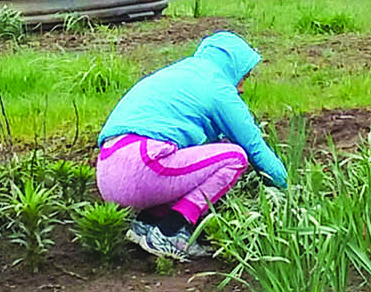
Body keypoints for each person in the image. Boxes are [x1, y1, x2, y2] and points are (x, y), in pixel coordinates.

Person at [96, 31, 289, 258]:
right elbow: (255, 147)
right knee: (234, 157)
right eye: (244, 77)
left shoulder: (181, 73)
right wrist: (287, 187)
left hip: (108, 169)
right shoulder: (218, 87)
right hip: (143, 166)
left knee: (204, 155)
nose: (242, 88)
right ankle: (173, 229)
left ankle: (147, 222)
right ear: (232, 68)